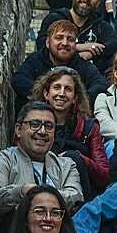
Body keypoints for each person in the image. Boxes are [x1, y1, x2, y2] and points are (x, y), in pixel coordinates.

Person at [0, 101, 84, 229]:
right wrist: (20, 191)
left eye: (49, 126)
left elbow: (76, 197)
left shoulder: (66, 165)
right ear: (18, 129)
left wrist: (35, 196)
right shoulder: (4, 160)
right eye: (35, 125)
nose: (42, 131)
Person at [29, 68, 110, 200]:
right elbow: (19, 155)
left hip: (79, 191)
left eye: (68, 89)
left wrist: (77, 157)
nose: (61, 94)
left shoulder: (88, 127)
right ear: (46, 93)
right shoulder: (30, 123)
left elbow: (105, 176)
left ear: (75, 98)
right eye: (56, 87)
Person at [12, 17, 107, 115]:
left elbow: (100, 84)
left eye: (70, 39)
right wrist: (48, 95)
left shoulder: (82, 63)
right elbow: (19, 79)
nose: (65, 43)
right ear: (48, 43)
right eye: (59, 38)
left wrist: (76, 97)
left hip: (71, 117)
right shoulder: (36, 59)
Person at [38, 0, 117, 71]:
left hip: (87, 76)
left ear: (98, 2)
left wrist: (91, 52)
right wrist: (79, 47)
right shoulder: (54, 18)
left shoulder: (100, 25)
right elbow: (42, 44)